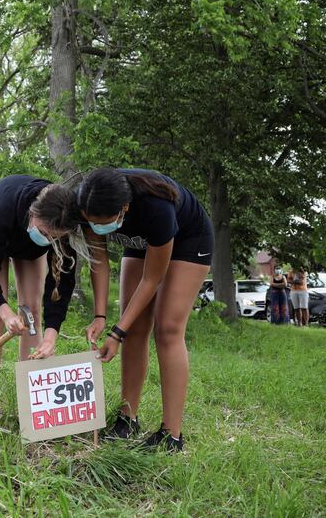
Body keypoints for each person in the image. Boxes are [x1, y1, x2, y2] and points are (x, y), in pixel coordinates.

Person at [72, 167, 214, 452]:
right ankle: (128, 417)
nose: (98, 228)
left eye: (104, 223)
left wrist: (117, 331)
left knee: (168, 329)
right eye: (92, 223)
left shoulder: (156, 208)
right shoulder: (87, 203)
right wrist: (101, 316)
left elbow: (152, 280)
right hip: (140, 241)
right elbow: (99, 261)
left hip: (188, 240)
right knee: (135, 328)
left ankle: (171, 435)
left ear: (124, 208)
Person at [0, 175, 90, 419]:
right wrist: (5, 313)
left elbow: (62, 282)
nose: (50, 240)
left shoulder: (63, 225)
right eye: (46, 234)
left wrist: (51, 334)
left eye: (55, 238)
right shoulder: (1, 211)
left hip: (28, 243)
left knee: (31, 311)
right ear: (33, 213)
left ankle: (32, 399)